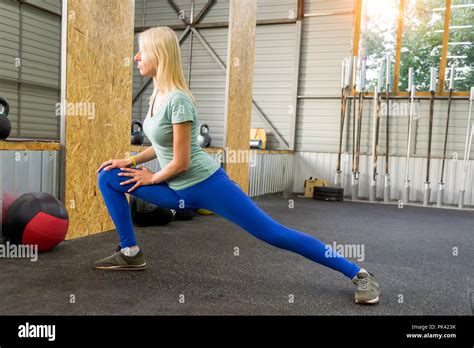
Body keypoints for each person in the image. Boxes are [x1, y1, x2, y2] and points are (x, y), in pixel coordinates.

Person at [96, 26, 380, 305]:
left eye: (142, 51)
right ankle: (130, 252)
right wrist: (130, 161)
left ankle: (359, 274)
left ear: (158, 54)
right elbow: (162, 146)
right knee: (108, 176)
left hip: (206, 186)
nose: (136, 57)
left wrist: (151, 178)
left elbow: (181, 162)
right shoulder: (155, 96)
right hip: (174, 189)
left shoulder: (178, 100)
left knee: (274, 234)